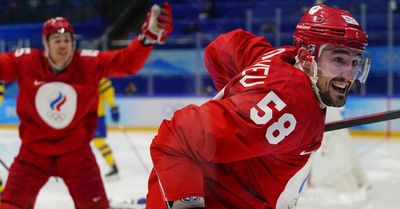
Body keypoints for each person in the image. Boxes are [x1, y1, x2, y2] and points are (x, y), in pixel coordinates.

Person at [146, 4, 370, 209]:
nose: (349, 74)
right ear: (306, 57)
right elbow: (177, 136)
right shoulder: (289, 103)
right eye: (339, 60)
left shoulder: (282, 57)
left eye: (355, 62)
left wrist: (242, 102)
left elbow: (222, 48)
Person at [0, 2, 173, 209]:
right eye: (56, 40)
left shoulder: (88, 63)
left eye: (67, 40)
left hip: (77, 155)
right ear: (45, 45)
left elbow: (124, 63)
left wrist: (146, 40)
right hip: (32, 155)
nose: (63, 45)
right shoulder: (26, 61)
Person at [93, 78, 120, 178]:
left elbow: (108, 93)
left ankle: (112, 165)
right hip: (84, 117)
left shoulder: (100, 78)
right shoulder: (80, 76)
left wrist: (113, 107)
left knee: (98, 141)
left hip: (97, 116)